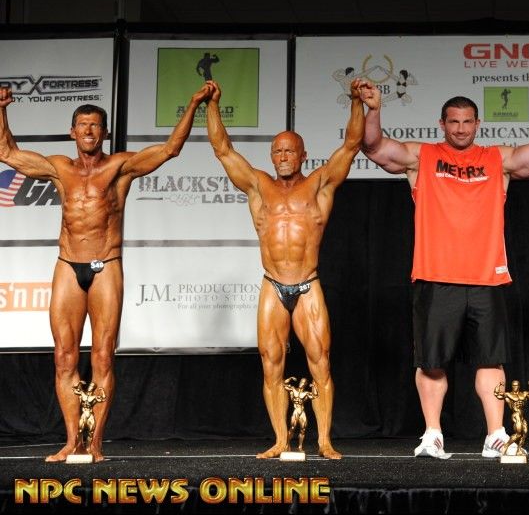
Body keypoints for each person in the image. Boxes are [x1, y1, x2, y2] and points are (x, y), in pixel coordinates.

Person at [0, 83, 206, 462]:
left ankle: (93, 443)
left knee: (102, 357)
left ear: (105, 132)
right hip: (68, 265)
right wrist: (1, 110)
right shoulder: (59, 168)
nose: (89, 131)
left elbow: (169, 149)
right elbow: (7, 152)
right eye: (83, 125)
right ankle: (71, 442)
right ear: (72, 132)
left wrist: (193, 103)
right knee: (64, 357)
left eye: (95, 125)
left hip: (105, 266)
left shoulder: (119, 168)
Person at [361, 79, 529, 459]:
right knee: (431, 362)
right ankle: (433, 434)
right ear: (442, 124)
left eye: (468, 122)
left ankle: (495, 434)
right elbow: (373, 147)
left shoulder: (497, 160)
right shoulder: (422, 158)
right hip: (436, 277)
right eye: (454, 122)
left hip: (487, 278)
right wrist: (373, 109)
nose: (461, 128)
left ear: (478, 124)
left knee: (490, 360)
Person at [205, 78, 373, 460]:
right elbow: (222, 149)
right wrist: (212, 105)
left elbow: (352, 144)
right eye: (277, 151)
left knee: (321, 362)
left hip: (308, 284)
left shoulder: (319, 185)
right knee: (271, 364)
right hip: (273, 285)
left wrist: (355, 102)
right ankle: (280, 440)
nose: (283, 156)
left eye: (290, 150)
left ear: (302, 155)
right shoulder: (257, 186)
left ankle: (325, 441)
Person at [493, 380, 529, 457]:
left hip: (521, 416)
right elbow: (496, 394)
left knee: (525, 433)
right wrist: (499, 385)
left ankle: (519, 449)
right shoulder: (508, 394)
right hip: (516, 415)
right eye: (513, 385)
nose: (515, 387)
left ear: (519, 386)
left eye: (516, 385)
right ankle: (505, 446)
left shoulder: (523, 394)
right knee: (518, 434)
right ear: (512, 386)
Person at [284, 377, 318, 453]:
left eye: (303, 382)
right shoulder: (293, 389)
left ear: (305, 384)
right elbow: (284, 384)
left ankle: (300, 447)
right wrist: (290, 378)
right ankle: (287, 444)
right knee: (292, 428)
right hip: (295, 410)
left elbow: (315, 396)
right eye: (301, 381)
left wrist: (313, 387)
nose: (301, 383)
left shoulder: (306, 393)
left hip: (302, 411)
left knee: (303, 429)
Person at [73, 381, 106, 452]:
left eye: (92, 386)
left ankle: (88, 448)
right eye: (90, 385)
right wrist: (79, 383)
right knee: (80, 431)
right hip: (84, 414)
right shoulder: (82, 394)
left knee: (91, 432)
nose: (90, 387)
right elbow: (74, 390)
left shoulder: (94, 397)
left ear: (94, 388)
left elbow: (103, 399)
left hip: (90, 415)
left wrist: (102, 391)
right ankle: (76, 447)